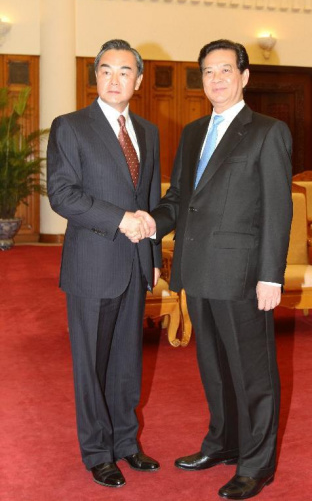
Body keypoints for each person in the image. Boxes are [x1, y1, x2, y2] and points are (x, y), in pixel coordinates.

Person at [133, 39, 293, 500]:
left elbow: (277, 210)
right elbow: (180, 199)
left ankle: (256, 464)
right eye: (207, 72)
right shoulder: (192, 131)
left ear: (244, 76)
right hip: (197, 268)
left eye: (225, 70)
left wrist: (271, 276)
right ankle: (222, 442)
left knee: (253, 373)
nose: (216, 79)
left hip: (243, 273)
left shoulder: (267, 131)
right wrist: (151, 223)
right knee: (215, 368)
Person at [47, 39, 161, 489]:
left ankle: (127, 442)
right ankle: (97, 451)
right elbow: (63, 195)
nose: (115, 80)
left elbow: (148, 199)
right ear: (95, 76)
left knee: (127, 361)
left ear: (138, 79)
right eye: (106, 71)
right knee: (91, 364)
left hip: (135, 264)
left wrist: (151, 256)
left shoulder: (148, 131)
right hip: (92, 264)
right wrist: (120, 219)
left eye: (125, 72)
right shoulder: (71, 127)